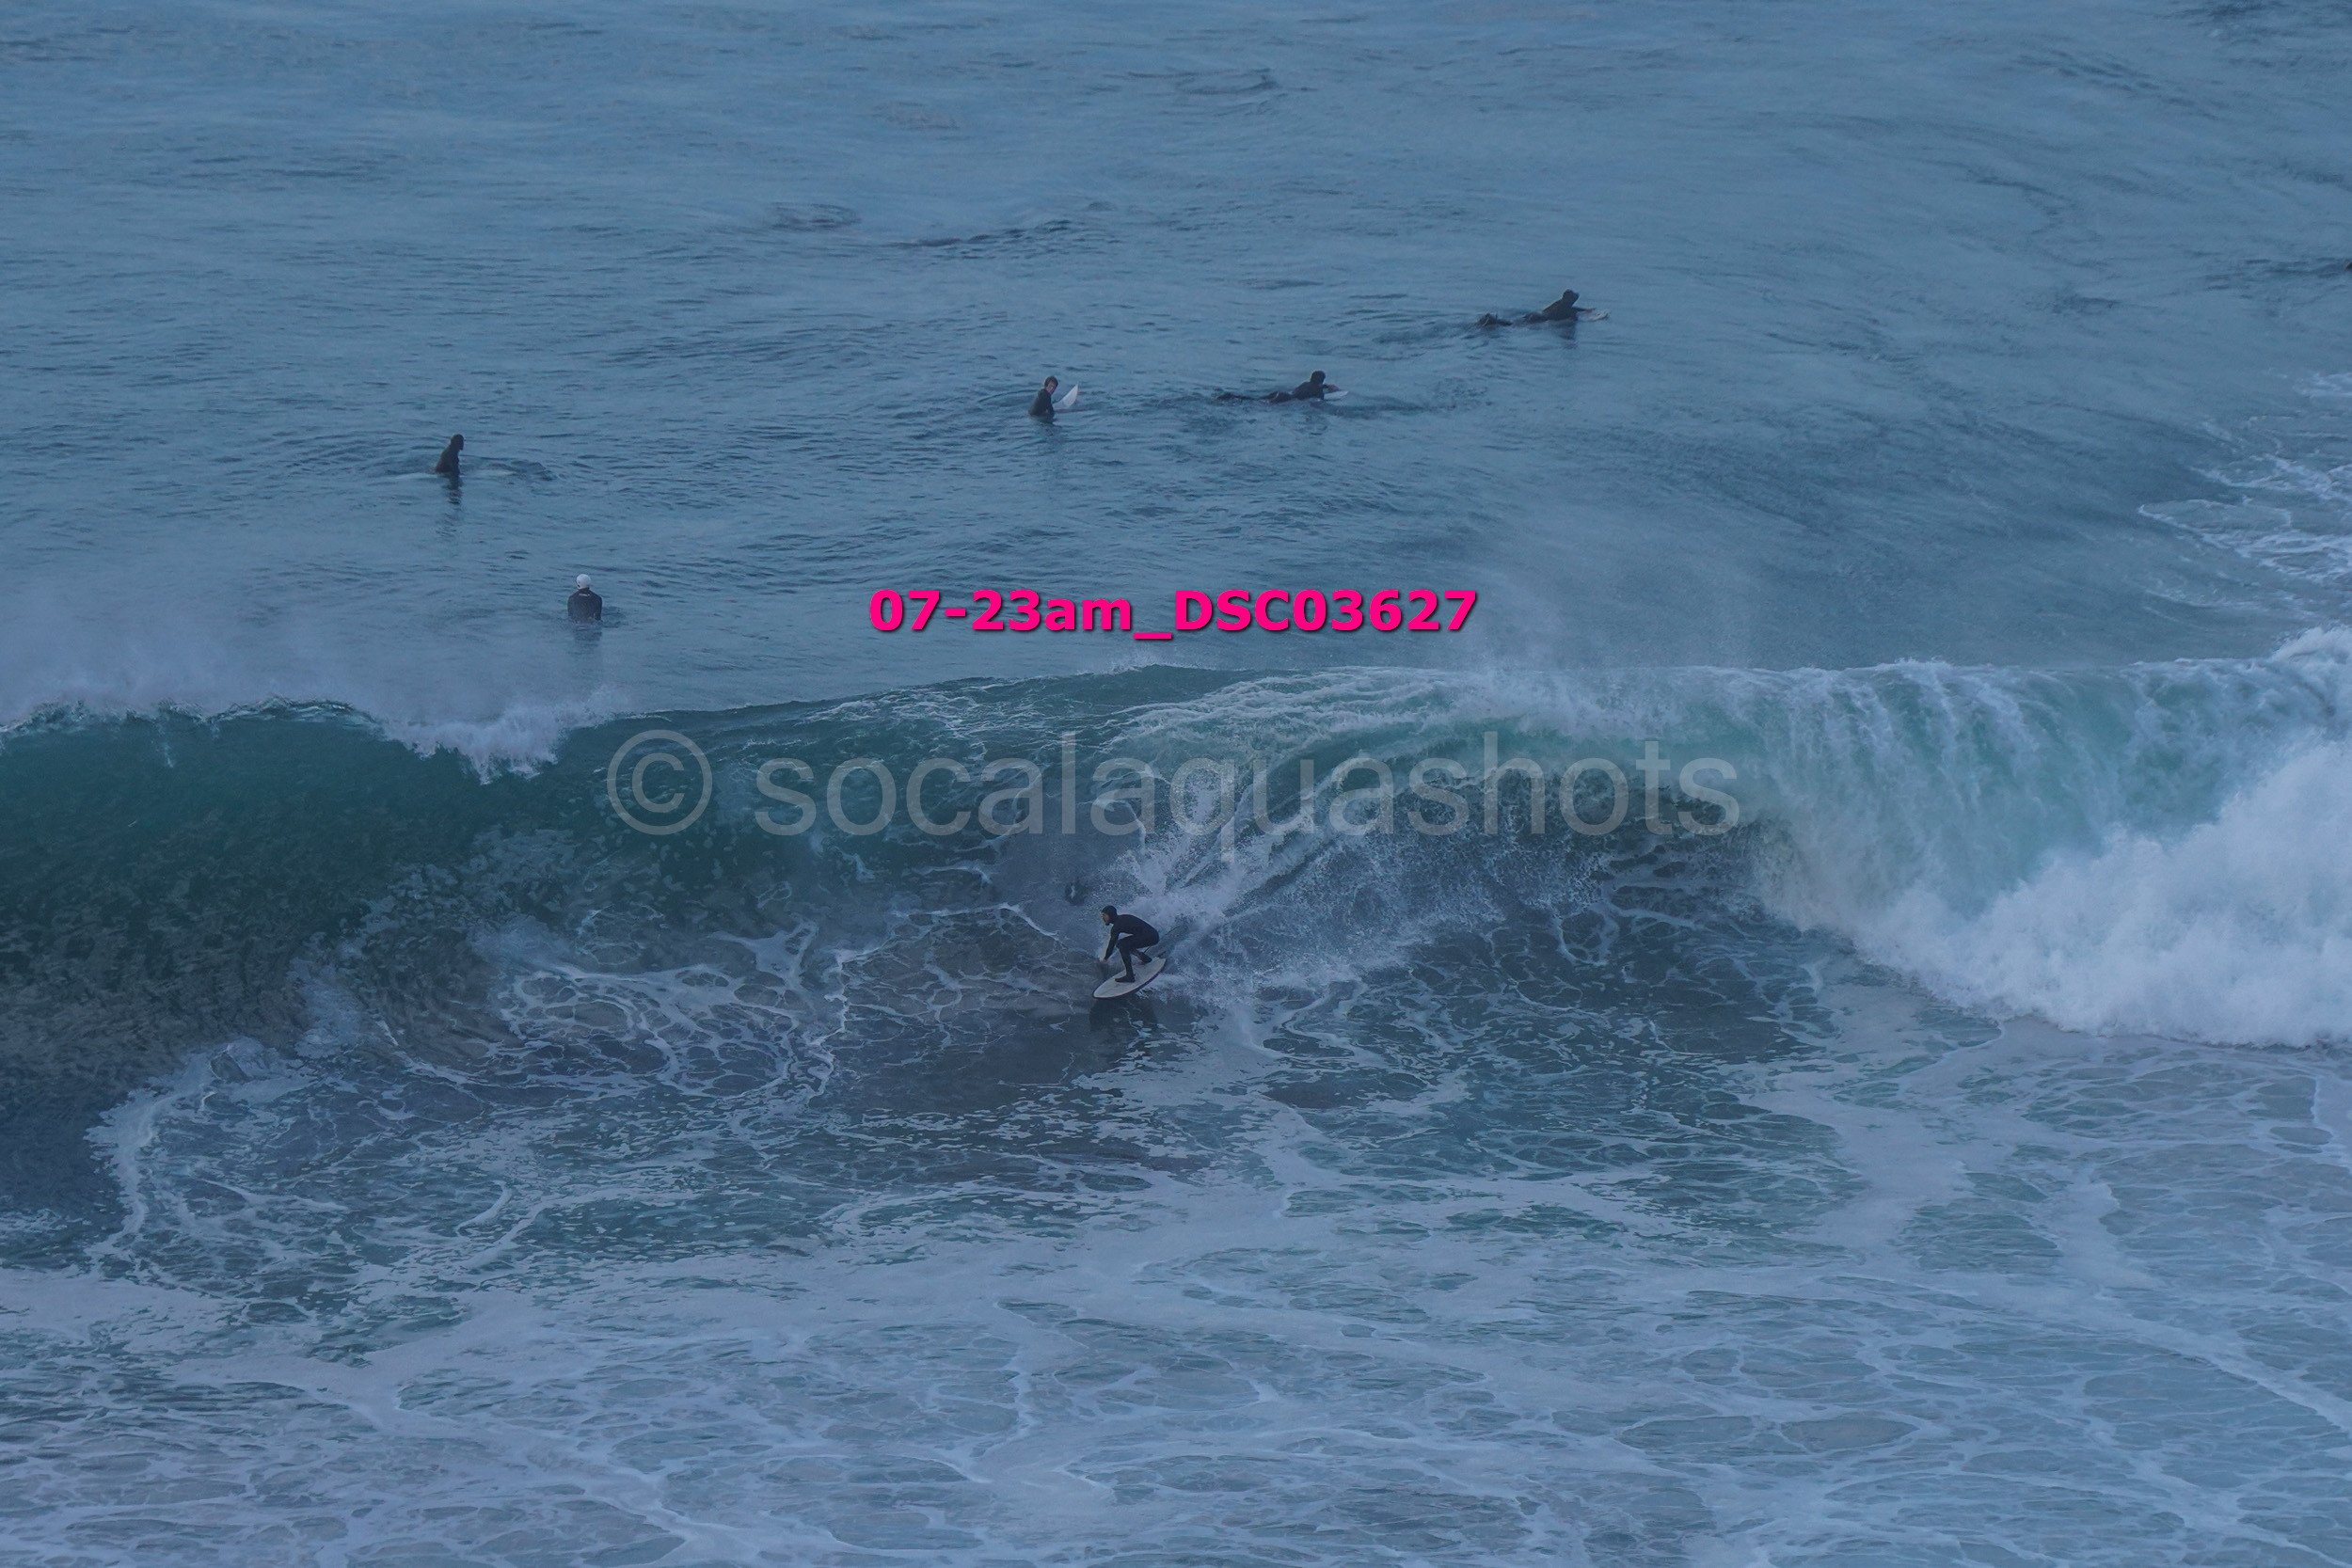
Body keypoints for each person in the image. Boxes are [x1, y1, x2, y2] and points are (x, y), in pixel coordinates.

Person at [1099, 905, 1161, 984]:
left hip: (1151, 937)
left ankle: (1130, 976)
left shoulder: (1116, 926)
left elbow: (1111, 945)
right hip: (1153, 935)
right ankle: (1144, 958)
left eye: (1104, 915)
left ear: (1110, 915)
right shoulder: (1122, 918)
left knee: (1122, 945)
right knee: (1121, 944)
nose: (1103, 918)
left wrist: (1105, 959)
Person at [1480, 288, 1584, 326]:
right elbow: (1575, 316)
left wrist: (1586, 310)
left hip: (1536, 314)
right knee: (1514, 325)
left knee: (1515, 322)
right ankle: (1494, 321)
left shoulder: (1559, 303)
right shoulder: (1569, 311)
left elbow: (1577, 309)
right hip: (1541, 319)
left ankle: (1495, 320)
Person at [1220, 371, 1334, 404]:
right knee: (1257, 403)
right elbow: (1320, 400)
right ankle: (1232, 397)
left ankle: (1232, 396)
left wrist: (1325, 386)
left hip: (1281, 393)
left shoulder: (1306, 384)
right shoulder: (1317, 390)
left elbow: (1307, 390)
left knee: (1256, 399)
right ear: (1321, 381)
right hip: (1285, 399)